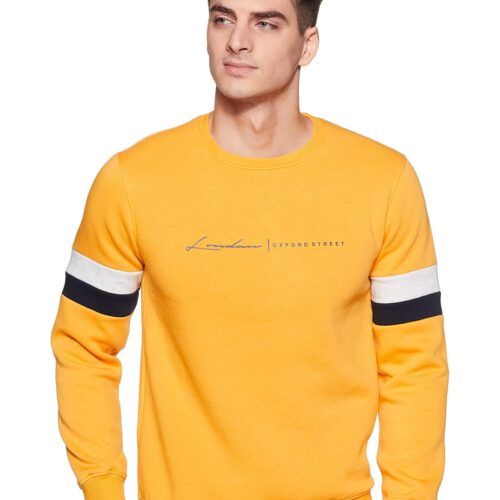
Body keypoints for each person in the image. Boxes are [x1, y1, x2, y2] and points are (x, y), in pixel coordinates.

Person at [50, 1, 449, 499]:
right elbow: (84, 346)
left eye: (265, 23)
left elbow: (414, 364)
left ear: (307, 45)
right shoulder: (133, 182)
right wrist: (103, 486)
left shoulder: (384, 182)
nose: (237, 41)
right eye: (223, 18)